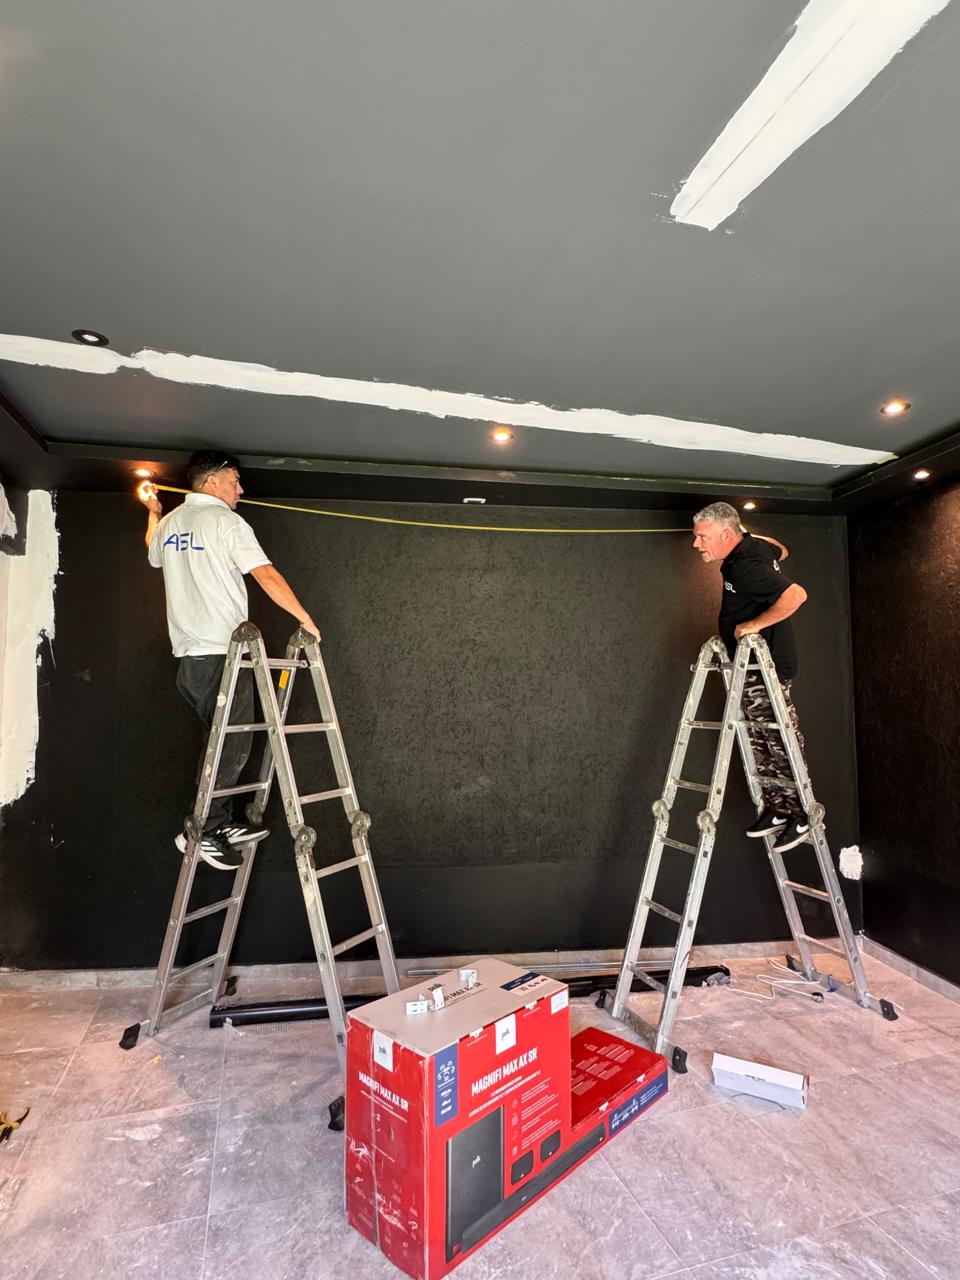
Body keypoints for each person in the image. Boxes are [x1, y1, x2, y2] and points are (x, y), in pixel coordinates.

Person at [138, 451, 321, 870]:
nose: (241, 488)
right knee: (232, 743)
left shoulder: (170, 525)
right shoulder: (226, 522)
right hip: (222, 651)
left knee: (222, 740)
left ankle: (216, 822)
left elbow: (151, 548)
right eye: (235, 480)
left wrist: (153, 511)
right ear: (211, 482)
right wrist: (305, 620)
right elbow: (265, 574)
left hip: (191, 658)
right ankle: (201, 830)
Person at [692, 501, 810, 853]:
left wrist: (755, 625)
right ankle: (778, 808)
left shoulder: (745, 566)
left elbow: (796, 595)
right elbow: (780, 549)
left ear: (727, 535)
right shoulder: (750, 549)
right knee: (760, 740)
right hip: (752, 667)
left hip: (766, 668)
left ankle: (800, 813)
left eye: (702, 537)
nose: (696, 544)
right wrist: (754, 538)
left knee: (778, 739)